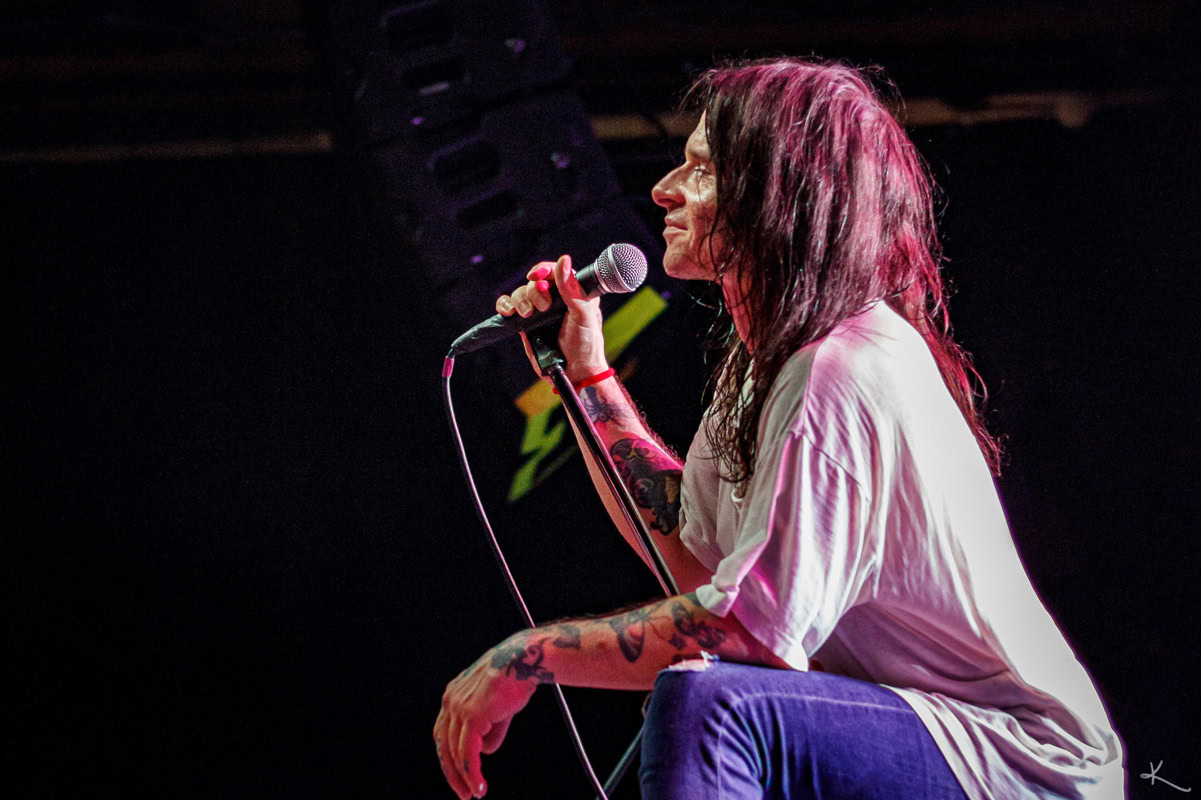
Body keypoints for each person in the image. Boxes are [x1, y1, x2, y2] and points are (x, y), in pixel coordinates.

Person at [432, 58, 1123, 800]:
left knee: (710, 705)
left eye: (701, 169)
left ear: (778, 195)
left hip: (1020, 760)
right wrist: (586, 377)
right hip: (922, 730)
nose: (664, 189)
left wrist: (526, 655)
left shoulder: (842, 368)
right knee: (705, 696)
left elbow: (747, 631)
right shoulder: (763, 375)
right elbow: (692, 563)